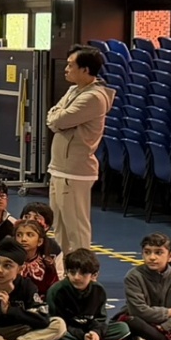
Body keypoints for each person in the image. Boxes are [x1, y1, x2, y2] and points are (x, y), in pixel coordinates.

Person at [46, 46, 113, 255]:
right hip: (59, 168)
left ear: (85, 70)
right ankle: (64, 268)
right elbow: (53, 116)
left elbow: (59, 120)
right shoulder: (74, 90)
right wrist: (58, 118)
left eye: (70, 65)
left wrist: (58, 119)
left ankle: (84, 269)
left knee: (76, 229)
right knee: (60, 228)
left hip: (75, 171)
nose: (66, 69)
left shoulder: (93, 97)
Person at [49, 247, 133, 340]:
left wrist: (95, 333)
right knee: (55, 331)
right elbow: (57, 322)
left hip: (88, 330)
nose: (76, 277)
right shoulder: (57, 291)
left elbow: (100, 319)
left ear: (94, 275)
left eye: (83, 273)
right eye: (72, 272)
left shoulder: (99, 290)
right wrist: (82, 336)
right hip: (68, 331)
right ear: (67, 272)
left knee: (123, 328)